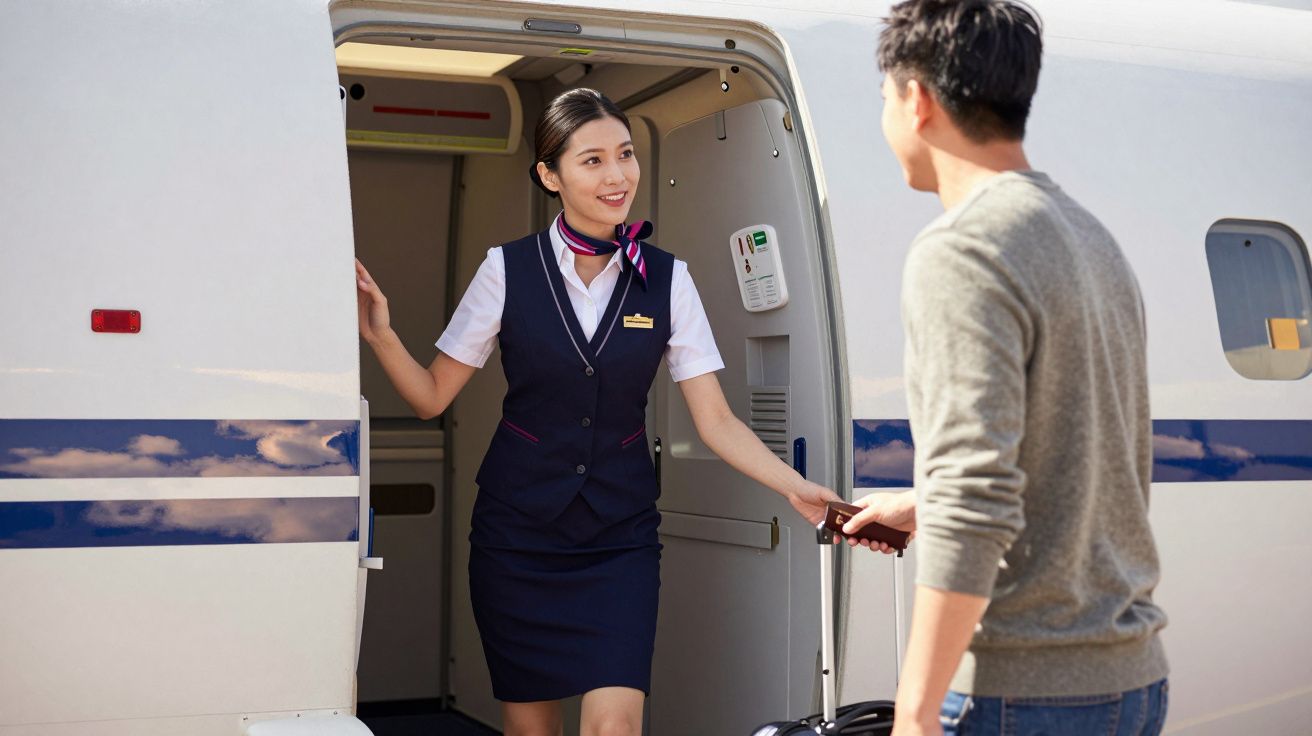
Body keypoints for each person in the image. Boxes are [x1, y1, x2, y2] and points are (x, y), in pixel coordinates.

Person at [355, 87, 839, 736]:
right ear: (549, 175)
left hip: (618, 539)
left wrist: (797, 489)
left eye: (625, 155)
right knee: (534, 731)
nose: (617, 177)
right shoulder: (507, 271)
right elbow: (430, 398)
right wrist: (382, 333)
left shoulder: (668, 280)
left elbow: (716, 420)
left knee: (616, 725)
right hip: (517, 536)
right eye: (592, 161)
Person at [839, 2, 1170, 734]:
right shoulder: (1090, 238)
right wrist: (918, 503)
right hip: (1130, 679)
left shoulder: (962, 251)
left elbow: (975, 494)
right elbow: (1073, 453)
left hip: (1019, 693)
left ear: (916, 99)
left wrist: (916, 713)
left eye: (884, 96)